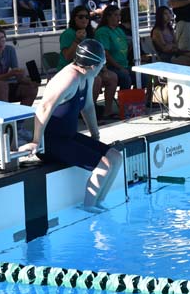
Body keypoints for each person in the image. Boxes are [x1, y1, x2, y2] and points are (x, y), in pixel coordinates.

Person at [19, 39, 123, 211]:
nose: (103, 69)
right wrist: (37, 141)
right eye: (102, 65)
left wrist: (95, 135)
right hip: (51, 143)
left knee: (116, 158)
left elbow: (88, 107)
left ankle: (99, 202)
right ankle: (88, 208)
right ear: (92, 65)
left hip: (68, 137)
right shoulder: (69, 79)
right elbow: (44, 107)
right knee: (104, 164)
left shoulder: (86, 76)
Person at [58, 5, 117, 118]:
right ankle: (88, 112)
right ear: (74, 18)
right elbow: (67, 57)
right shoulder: (68, 34)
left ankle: (107, 111)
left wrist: (103, 68)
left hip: (88, 69)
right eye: (81, 17)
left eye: (86, 17)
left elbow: (97, 53)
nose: (84, 19)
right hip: (70, 71)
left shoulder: (90, 33)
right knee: (96, 79)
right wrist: (77, 40)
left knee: (112, 77)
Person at [0, 24, 37, 106]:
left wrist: (30, 81)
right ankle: (5, 116)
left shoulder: (10, 50)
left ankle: (21, 117)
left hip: (5, 85)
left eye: (2, 38)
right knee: (2, 86)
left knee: (31, 89)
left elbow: (19, 79)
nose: (0, 42)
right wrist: (11, 74)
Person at [95, 5, 131, 90]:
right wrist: (119, 67)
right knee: (126, 78)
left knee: (142, 75)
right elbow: (105, 54)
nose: (119, 18)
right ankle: (124, 102)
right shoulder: (102, 31)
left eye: (119, 15)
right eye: (116, 15)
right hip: (110, 67)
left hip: (124, 64)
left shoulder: (119, 30)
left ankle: (139, 100)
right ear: (108, 16)